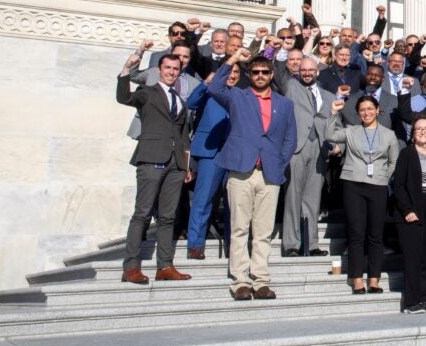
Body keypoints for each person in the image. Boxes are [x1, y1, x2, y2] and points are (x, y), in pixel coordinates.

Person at [208, 50, 297, 300]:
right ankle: (240, 280)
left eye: (265, 72)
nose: (260, 76)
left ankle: (261, 279)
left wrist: (280, 163)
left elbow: (290, 138)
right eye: (255, 72)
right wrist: (234, 57)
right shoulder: (238, 97)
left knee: (263, 230)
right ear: (249, 74)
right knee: (239, 228)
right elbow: (215, 87)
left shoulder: (284, 103)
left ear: (271, 75)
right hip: (241, 170)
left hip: (269, 172)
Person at [116, 45, 193, 284]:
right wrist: (126, 69)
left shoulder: (180, 99)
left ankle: (165, 266)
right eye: (167, 68)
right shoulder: (147, 92)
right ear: (159, 69)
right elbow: (124, 97)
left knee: (168, 217)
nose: (171, 72)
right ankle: (131, 267)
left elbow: (183, 135)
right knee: (142, 213)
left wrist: (186, 165)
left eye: (175, 69)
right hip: (151, 158)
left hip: (175, 163)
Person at [327, 95, 401, 294]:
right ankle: (357, 279)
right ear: (358, 113)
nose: (367, 113)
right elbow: (330, 135)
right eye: (362, 110)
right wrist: (334, 113)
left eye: (370, 108)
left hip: (377, 186)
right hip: (353, 185)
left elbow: (394, 161)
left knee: (376, 235)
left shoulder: (388, 135)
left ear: (378, 110)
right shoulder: (352, 131)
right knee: (356, 234)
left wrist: (384, 177)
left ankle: (374, 279)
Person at [275, 57, 336, 257]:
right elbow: (278, 71)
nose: (307, 73)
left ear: (317, 71)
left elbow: (336, 124)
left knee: (313, 198)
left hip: (319, 149)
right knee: (293, 196)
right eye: (304, 70)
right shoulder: (291, 87)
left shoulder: (328, 96)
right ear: (298, 72)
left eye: (311, 70)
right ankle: (291, 244)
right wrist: (277, 51)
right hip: (297, 147)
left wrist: (338, 146)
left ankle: (310, 244)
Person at [184, 62, 237, 261]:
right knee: (203, 199)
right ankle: (195, 244)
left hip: (232, 153)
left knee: (234, 202)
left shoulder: (239, 95)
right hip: (211, 152)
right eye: (229, 73)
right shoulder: (210, 92)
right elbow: (191, 102)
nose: (231, 77)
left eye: (236, 74)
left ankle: (233, 246)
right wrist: (206, 83)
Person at [391, 115, 426, 313]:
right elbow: (399, 185)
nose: (422, 131)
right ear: (413, 133)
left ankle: (423, 299)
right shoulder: (407, 153)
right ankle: (411, 302)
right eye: (418, 128)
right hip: (412, 210)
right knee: (413, 257)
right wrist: (407, 210)